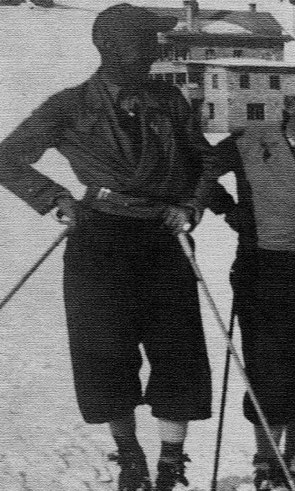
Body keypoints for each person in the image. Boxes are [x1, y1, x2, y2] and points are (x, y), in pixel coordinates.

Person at [0, 4, 211, 490]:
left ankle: (171, 461)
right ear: (109, 46)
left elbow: (203, 161)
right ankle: (131, 456)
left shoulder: (171, 100)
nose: (157, 48)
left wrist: (192, 206)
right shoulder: (70, 104)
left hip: (164, 235)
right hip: (100, 238)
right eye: (146, 39)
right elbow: (9, 158)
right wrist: (56, 199)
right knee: (106, 354)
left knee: (177, 352)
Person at [197, 72, 295, 491]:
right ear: (288, 107)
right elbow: (202, 172)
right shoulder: (251, 141)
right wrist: (230, 211)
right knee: (269, 372)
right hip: (262, 268)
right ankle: (267, 464)